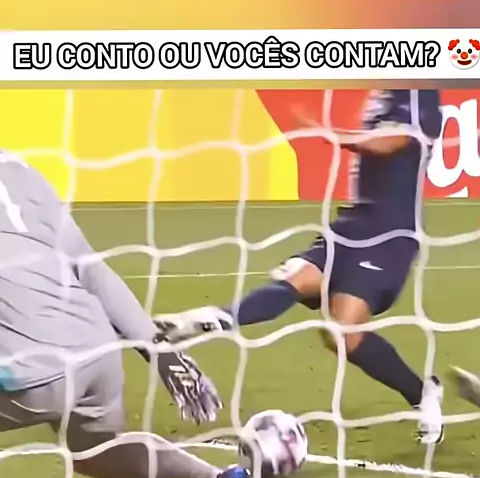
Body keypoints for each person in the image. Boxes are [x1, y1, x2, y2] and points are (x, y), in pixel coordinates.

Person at [0, 151, 285, 478]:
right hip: (96, 349)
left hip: (30, 368)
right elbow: (92, 271)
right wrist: (161, 352)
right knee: (96, 451)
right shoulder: (19, 169)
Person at [157, 90, 444, 445]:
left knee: (341, 332)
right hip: (351, 225)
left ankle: (422, 394)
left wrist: (327, 133)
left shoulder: (421, 95)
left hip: (390, 236)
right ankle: (214, 318)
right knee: (297, 277)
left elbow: (390, 143)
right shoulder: (382, 95)